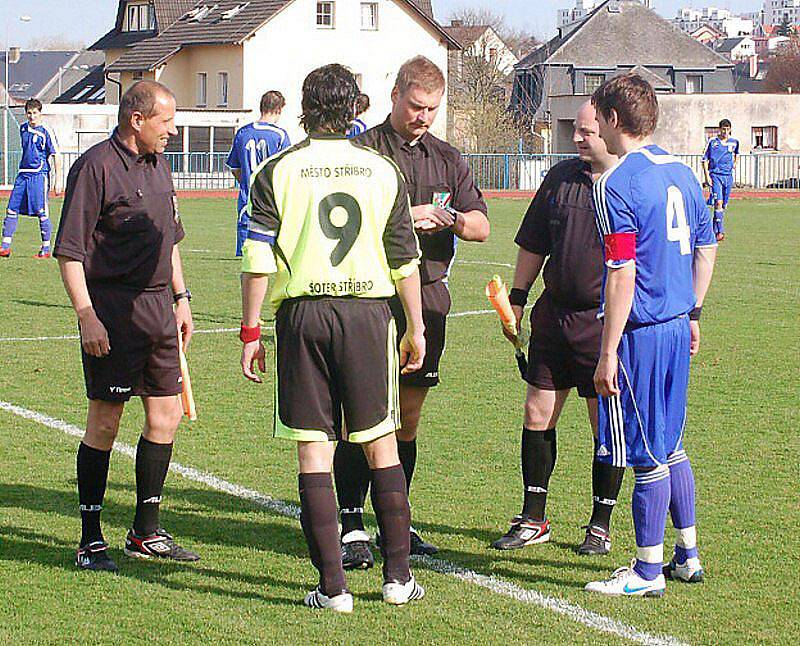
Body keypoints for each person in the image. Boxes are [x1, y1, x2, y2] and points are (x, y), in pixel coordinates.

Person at [239, 63, 426, 612]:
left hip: (303, 316)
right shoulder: (382, 170)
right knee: (382, 445)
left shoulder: (278, 170)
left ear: (305, 105)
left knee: (313, 455)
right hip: (368, 316)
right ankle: (397, 581)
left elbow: (255, 259)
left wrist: (251, 331)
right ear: (357, 108)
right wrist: (414, 326)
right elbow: (404, 261)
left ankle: (333, 589)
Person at [333, 55, 489, 569]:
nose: (424, 116)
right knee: (362, 414)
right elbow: (344, 220)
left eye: (433, 109)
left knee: (409, 415)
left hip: (429, 295)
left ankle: (396, 517)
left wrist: (449, 219)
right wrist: (404, 216)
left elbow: (481, 227)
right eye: (417, 106)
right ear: (396, 94)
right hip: (372, 295)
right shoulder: (364, 150)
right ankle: (351, 522)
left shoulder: (449, 158)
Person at [54, 81, 199, 572]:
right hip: (113, 312)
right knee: (106, 421)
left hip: (160, 309)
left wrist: (181, 298)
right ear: (137, 120)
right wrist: (87, 315)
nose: (173, 132)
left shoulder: (161, 166)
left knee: (166, 417)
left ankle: (145, 531)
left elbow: (171, 239)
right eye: (167, 122)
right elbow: (70, 252)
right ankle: (90, 539)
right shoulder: (95, 167)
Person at [585, 74, 717, 597]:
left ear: (614, 120)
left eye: (597, 116)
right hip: (677, 325)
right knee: (673, 444)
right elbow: (707, 246)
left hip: (641, 332)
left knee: (646, 453)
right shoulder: (682, 171)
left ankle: (645, 570)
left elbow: (622, 272)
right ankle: (687, 554)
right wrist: (694, 313)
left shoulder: (615, 184)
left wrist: (608, 350)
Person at [491, 101, 624, 555]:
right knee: (536, 414)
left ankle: (600, 524)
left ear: (611, 128)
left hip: (603, 322)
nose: (579, 139)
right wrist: (517, 296)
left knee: (602, 426)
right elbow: (533, 242)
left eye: (588, 131)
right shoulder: (560, 178)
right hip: (553, 317)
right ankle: (532, 518)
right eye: (578, 132)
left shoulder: (628, 182)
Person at [226, 90, 290, 256]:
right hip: (271, 199)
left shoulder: (243, 132)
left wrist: (247, 181)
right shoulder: (280, 136)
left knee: (246, 258)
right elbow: (286, 169)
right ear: (278, 110)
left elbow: (234, 167)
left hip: (247, 199)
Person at [1, 98, 57, 258]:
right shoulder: (23, 129)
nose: (32, 116)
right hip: (22, 175)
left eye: (35, 113)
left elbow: (55, 155)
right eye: (29, 113)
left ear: (40, 113)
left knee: (41, 211)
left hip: (39, 175)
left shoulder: (46, 131)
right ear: (26, 114)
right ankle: (5, 247)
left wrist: (58, 180)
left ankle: (46, 248)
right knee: (12, 208)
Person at [702, 118, 738, 242]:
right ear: (719, 129)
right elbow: (704, 159)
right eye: (723, 129)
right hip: (716, 175)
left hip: (728, 177)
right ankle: (720, 232)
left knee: (723, 206)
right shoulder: (712, 142)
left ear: (730, 129)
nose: (725, 131)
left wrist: (734, 163)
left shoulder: (734, 142)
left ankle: (712, 231)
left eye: (728, 129)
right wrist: (707, 177)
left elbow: (736, 154)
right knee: (718, 203)